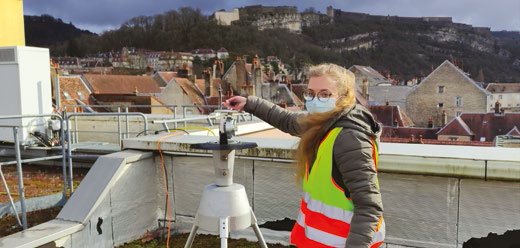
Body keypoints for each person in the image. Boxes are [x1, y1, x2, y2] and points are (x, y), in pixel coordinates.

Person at [223, 63, 385, 248]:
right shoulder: (323, 123)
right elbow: (286, 119)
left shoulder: (350, 139)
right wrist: (249, 103)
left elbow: (369, 207)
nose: (315, 100)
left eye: (325, 94)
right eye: (311, 93)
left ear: (343, 97)